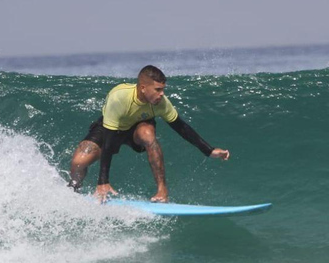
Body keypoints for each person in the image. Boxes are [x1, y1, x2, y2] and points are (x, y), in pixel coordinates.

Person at [68, 65, 230, 202]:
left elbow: (181, 127)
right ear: (143, 88)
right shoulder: (119, 97)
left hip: (136, 130)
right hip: (110, 129)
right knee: (78, 162)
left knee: (148, 133)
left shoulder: (160, 103)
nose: (162, 94)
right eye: (158, 90)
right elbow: (109, 139)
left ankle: (162, 191)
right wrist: (103, 181)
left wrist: (209, 150)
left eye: (163, 89)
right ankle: (74, 191)